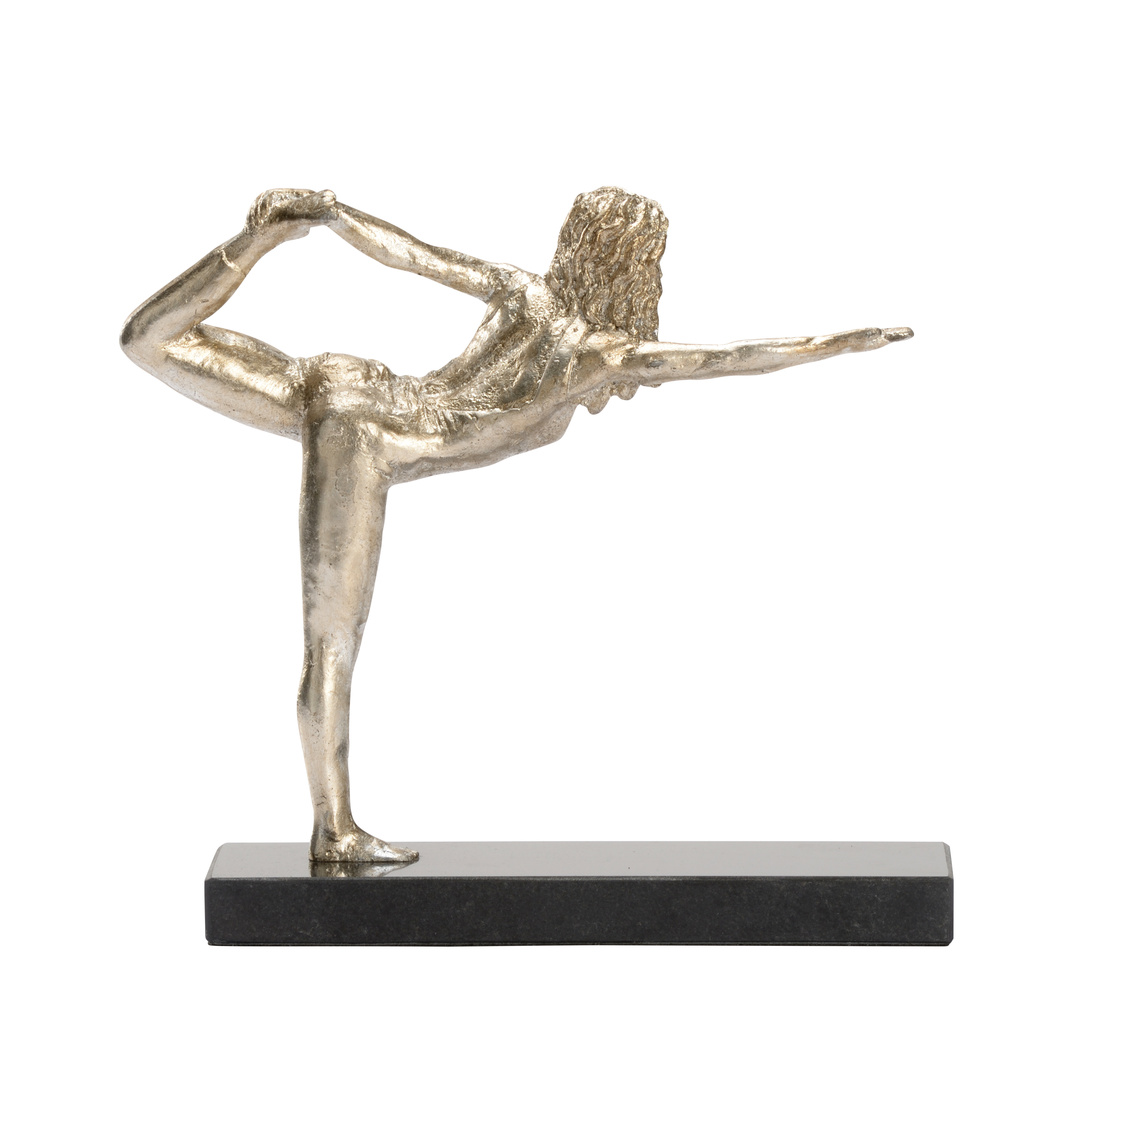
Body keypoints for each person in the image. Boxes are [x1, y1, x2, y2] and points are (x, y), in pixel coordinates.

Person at [121, 186, 913, 863]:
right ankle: (334, 832)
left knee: (148, 342)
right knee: (331, 645)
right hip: (367, 430)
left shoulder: (527, 294)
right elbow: (726, 359)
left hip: (353, 384)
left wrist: (332, 216)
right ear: (641, 267)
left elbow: (415, 255)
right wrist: (838, 344)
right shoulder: (601, 355)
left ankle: (256, 241)